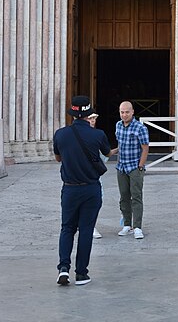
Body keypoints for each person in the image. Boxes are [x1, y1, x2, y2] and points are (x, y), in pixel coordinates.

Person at [53, 95, 112, 286]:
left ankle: (63, 268)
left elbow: (58, 158)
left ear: (73, 114)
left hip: (69, 188)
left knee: (67, 228)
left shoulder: (60, 134)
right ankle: (81, 273)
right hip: (90, 189)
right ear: (88, 115)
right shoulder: (98, 134)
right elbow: (106, 153)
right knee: (86, 230)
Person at [116, 101, 149, 239]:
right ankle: (127, 225)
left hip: (134, 166)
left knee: (136, 196)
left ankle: (138, 227)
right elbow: (120, 145)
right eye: (122, 112)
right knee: (124, 197)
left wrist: (140, 166)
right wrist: (110, 153)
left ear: (132, 112)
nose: (124, 115)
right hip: (121, 166)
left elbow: (145, 148)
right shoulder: (118, 125)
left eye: (127, 112)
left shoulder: (140, 128)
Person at [87, 113, 109, 239]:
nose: (93, 121)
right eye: (90, 118)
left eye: (95, 118)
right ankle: (89, 226)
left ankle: (88, 224)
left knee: (97, 200)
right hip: (84, 173)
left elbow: (103, 155)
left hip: (94, 173)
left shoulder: (97, 134)